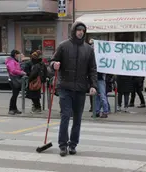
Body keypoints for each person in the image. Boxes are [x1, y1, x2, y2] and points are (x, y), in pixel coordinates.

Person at [50, 21, 97, 157]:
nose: (80, 32)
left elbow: (92, 69)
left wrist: (93, 85)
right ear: (74, 31)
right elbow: (51, 63)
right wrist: (54, 65)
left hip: (81, 89)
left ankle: (73, 144)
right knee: (65, 116)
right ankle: (63, 145)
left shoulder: (88, 49)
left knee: (77, 118)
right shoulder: (63, 46)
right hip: (65, 87)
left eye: (83, 30)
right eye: (78, 30)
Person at [5, 50, 26, 115]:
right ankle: (11, 109)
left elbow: (18, 68)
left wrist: (21, 70)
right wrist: (21, 72)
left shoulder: (15, 61)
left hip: (16, 78)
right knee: (14, 95)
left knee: (15, 94)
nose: (19, 56)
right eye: (18, 54)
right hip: (13, 79)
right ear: (15, 54)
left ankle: (14, 109)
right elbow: (13, 70)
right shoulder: (11, 61)